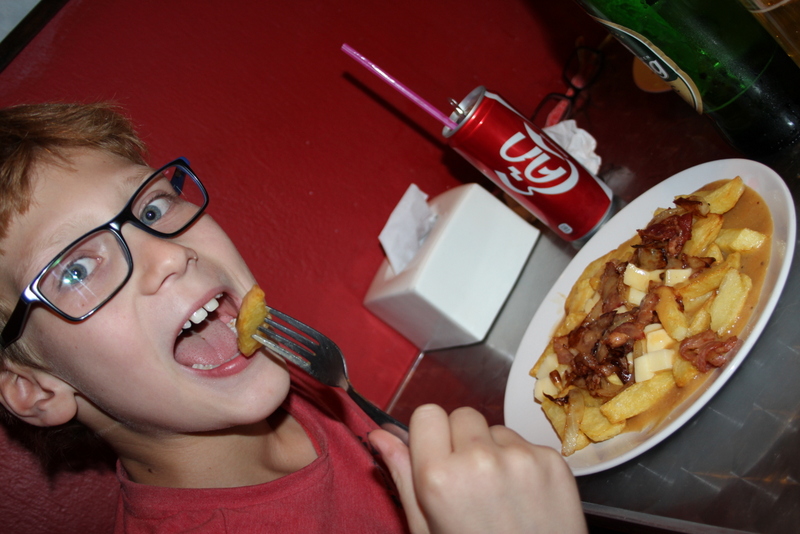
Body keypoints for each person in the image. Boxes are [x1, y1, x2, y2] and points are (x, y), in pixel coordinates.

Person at [0, 102, 587, 533]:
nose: (168, 254)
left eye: (152, 208)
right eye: (76, 270)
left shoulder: (292, 379)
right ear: (34, 388)